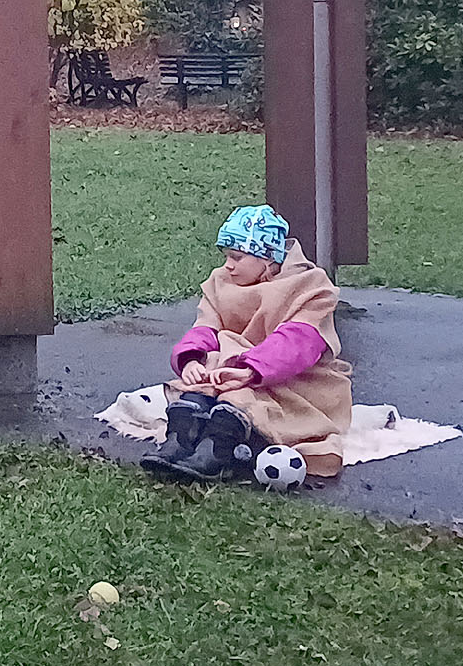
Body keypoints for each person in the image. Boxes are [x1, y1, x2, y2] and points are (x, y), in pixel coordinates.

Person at [141, 205, 353, 481]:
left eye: (237, 257)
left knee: (239, 398)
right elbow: (206, 325)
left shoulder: (310, 287)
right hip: (227, 370)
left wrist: (250, 370)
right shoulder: (221, 281)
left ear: (267, 257)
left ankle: (219, 447)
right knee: (200, 384)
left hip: (293, 378)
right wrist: (191, 359)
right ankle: (182, 435)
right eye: (226, 256)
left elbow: (298, 343)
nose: (228, 265)